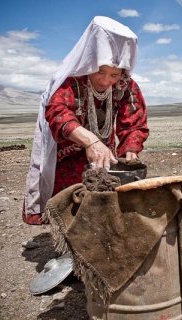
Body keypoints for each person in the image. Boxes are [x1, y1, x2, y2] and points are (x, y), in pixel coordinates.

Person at [22, 16, 149, 225]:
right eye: (100, 71)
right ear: (91, 62)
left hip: (102, 156)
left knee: (103, 207)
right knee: (71, 209)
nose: (105, 81)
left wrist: (131, 150)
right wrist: (90, 140)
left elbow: (134, 122)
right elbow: (58, 112)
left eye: (114, 75)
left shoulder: (125, 85)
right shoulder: (70, 81)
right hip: (67, 158)